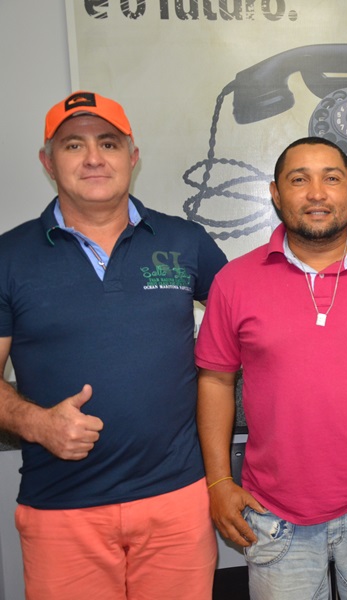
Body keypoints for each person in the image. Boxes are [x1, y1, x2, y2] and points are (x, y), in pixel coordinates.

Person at [194, 136, 347, 599]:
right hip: (273, 514)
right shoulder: (233, 282)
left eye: (330, 178)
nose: (316, 193)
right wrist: (217, 482)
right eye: (299, 179)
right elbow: (215, 381)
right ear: (275, 192)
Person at [0, 91, 228, 599]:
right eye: (73, 145)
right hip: (62, 508)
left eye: (108, 142)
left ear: (132, 155)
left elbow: (253, 325)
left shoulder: (185, 241)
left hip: (178, 503)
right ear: (47, 161)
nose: (94, 158)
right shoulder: (8, 256)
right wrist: (37, 422)